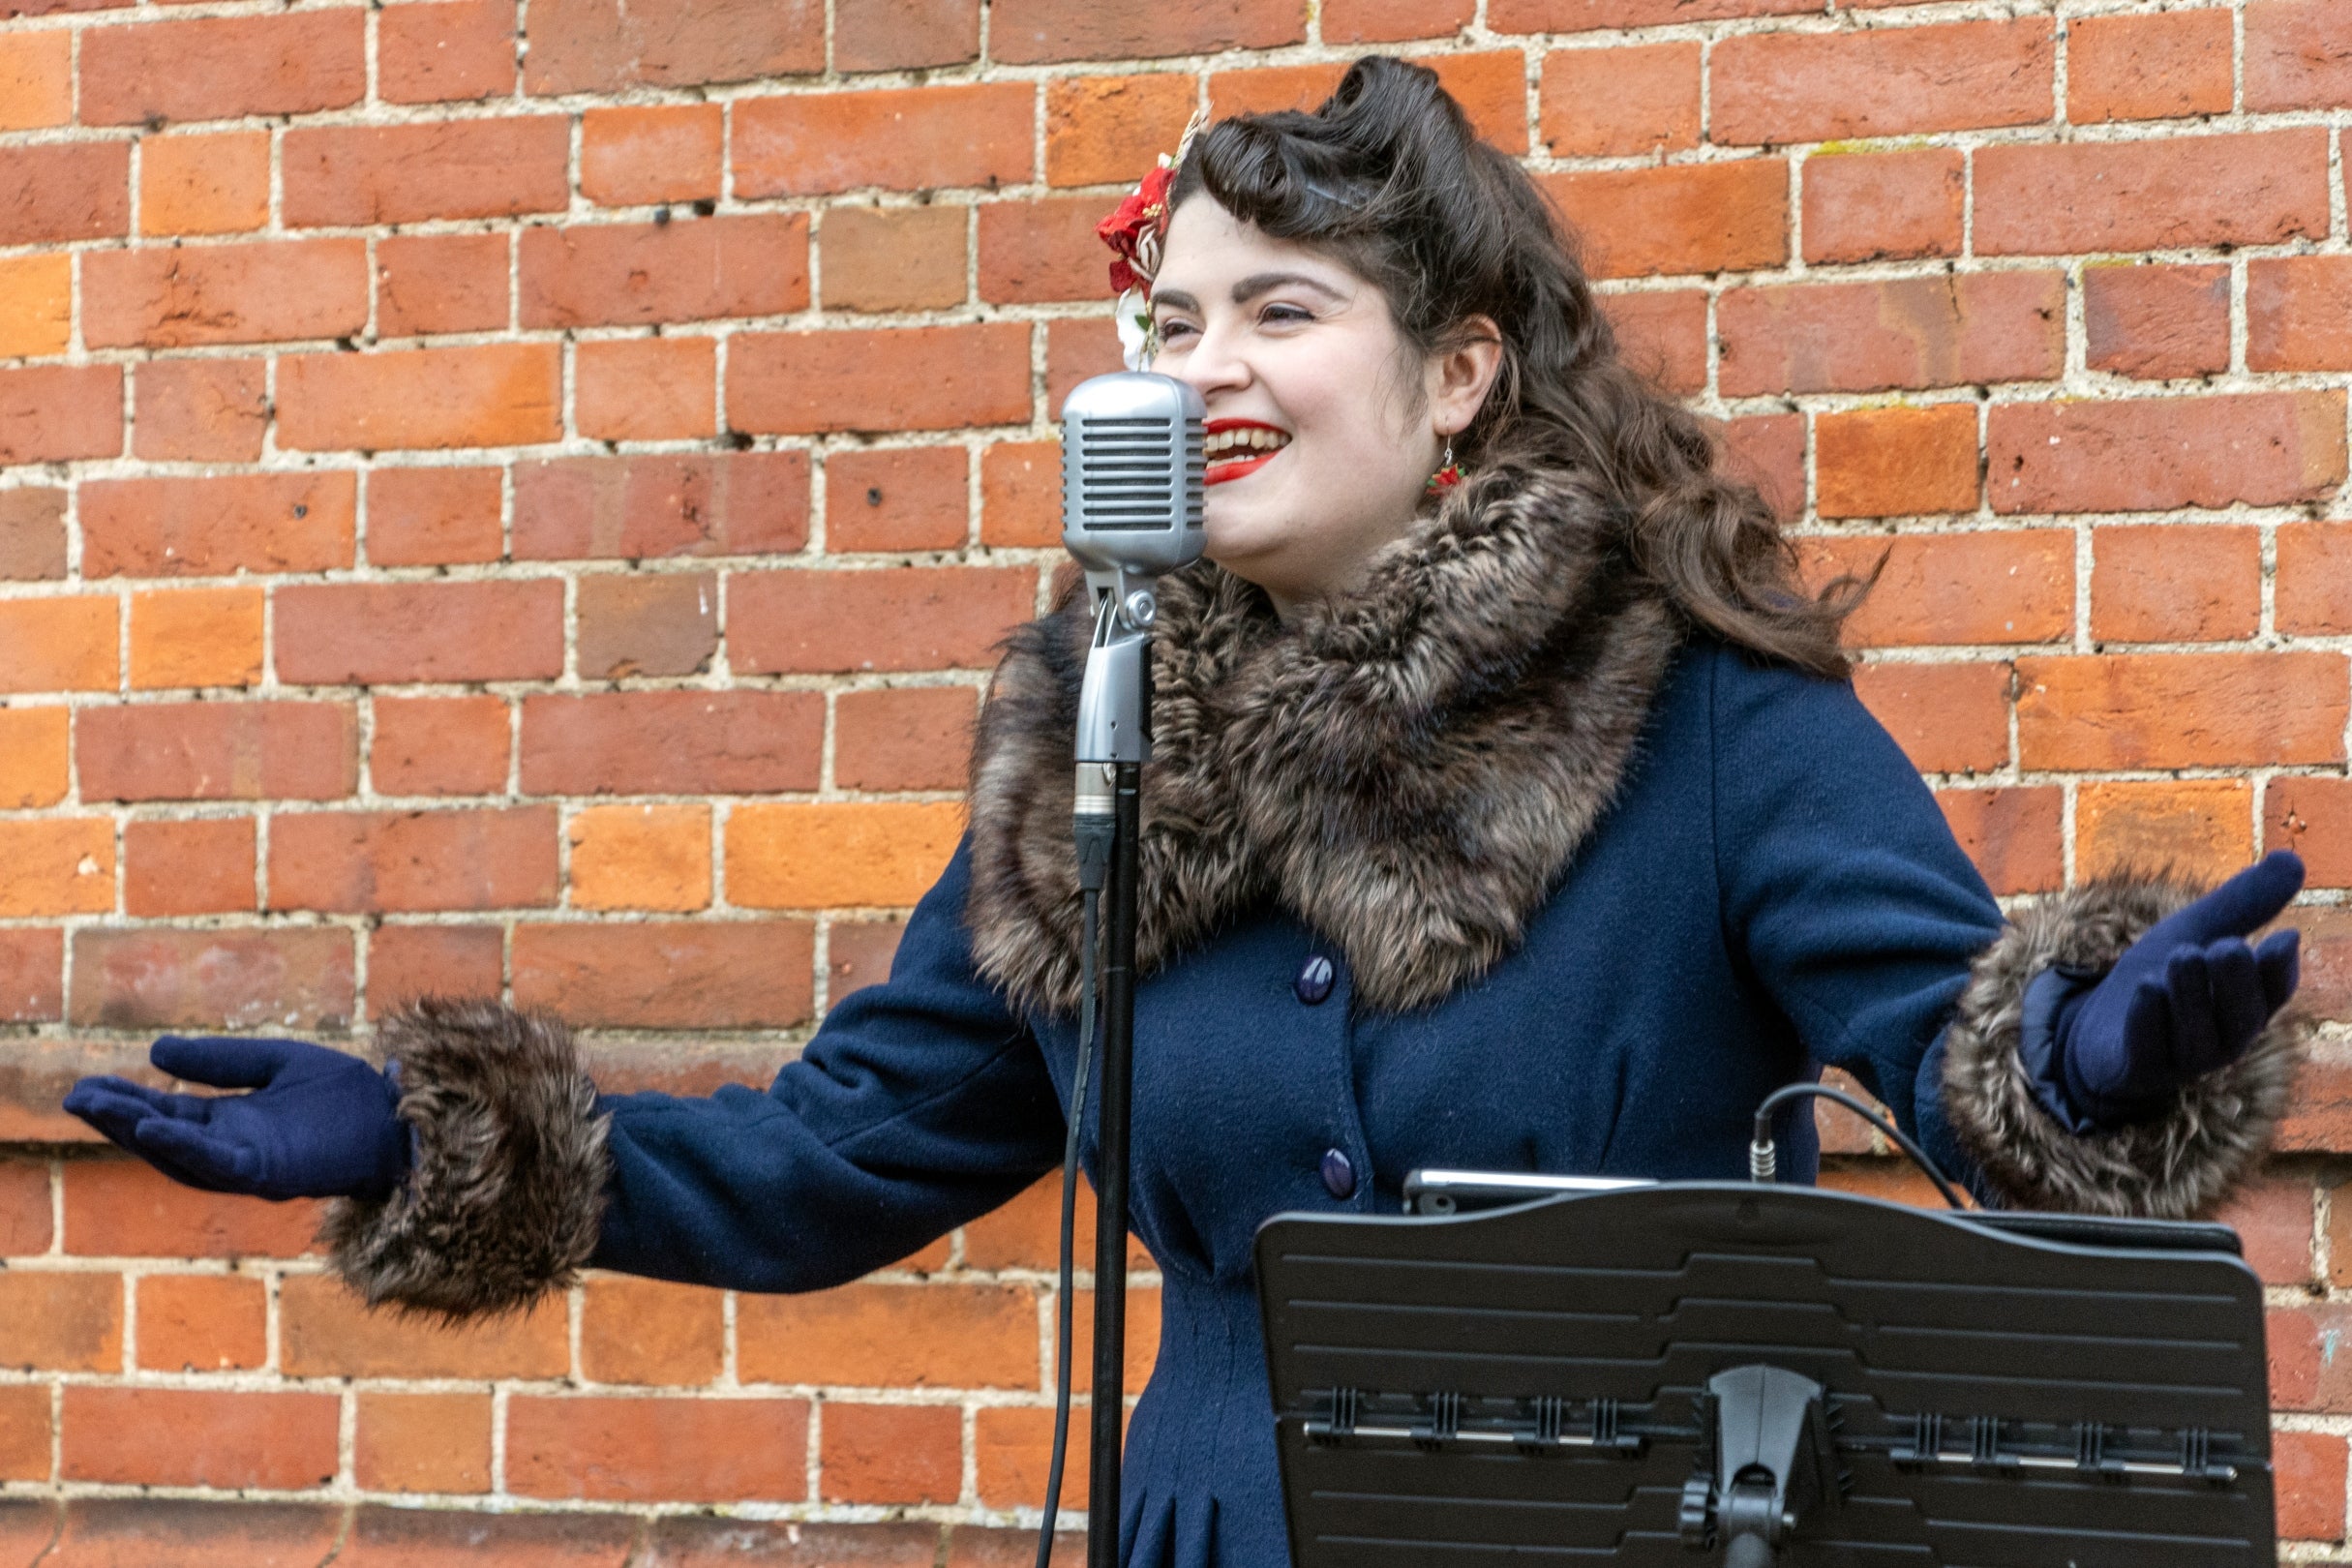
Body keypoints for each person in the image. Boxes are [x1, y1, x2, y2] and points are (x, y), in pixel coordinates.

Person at [65, 57, 2306, 1568]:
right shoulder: (1089, 745)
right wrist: (424, 1145)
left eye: (1281, 310)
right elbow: (847, 1153)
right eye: (1172, 316)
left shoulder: (1694, 707)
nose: (1202, 365)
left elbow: (1956, 1058)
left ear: (1457, 373)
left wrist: (2088, 1052)